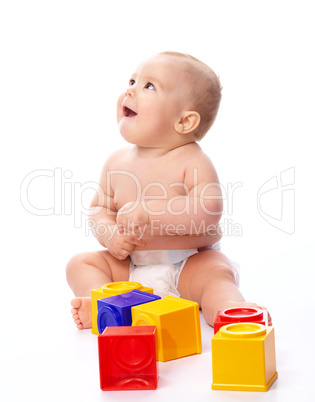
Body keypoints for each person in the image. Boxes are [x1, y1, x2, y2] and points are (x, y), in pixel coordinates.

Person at [66, 51, 271, 329]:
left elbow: (208, 210)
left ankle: (230, 310)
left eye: (149, 86)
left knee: (215, 275)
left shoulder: (192, 160)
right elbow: (99, 209)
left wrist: (150, 214)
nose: (131, 89)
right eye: (132, 80)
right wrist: (110, 235)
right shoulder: (116, 162)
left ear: (185, 121)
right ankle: (107, 304)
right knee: (81, 264)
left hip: (188, 264)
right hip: (131, 268)